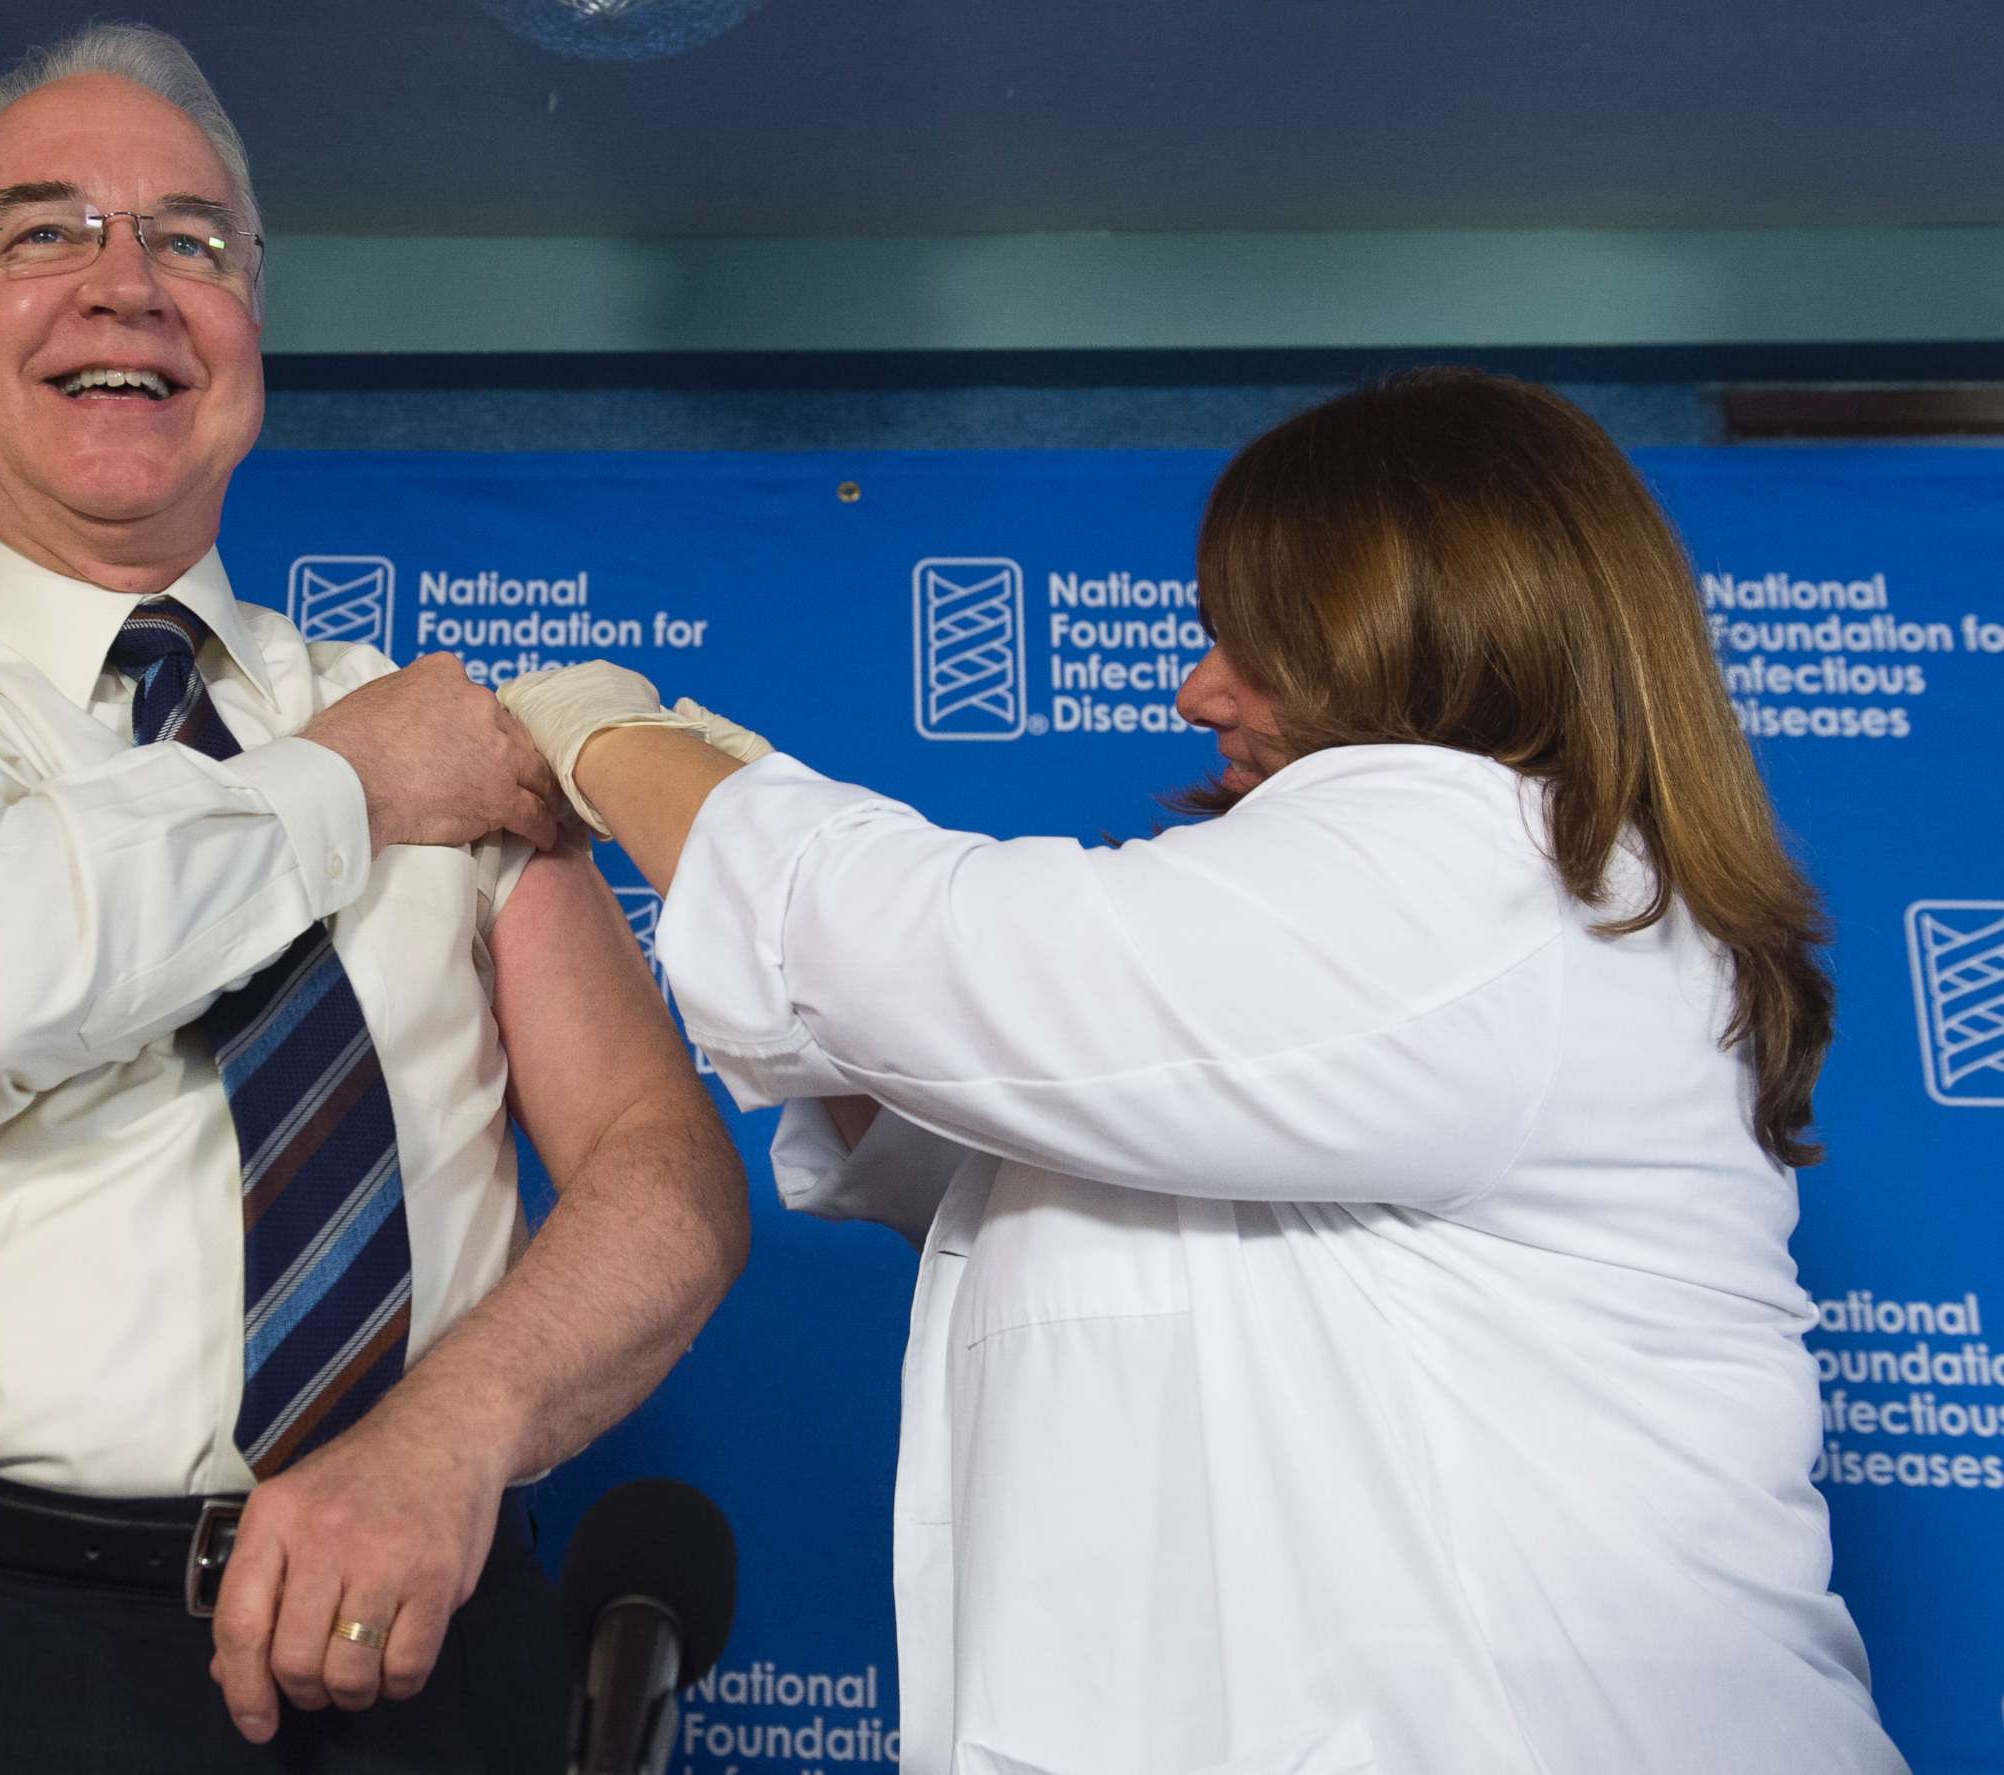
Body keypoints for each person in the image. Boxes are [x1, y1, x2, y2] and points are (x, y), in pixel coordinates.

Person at [496, 370, 1907, 1775]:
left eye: (1263, 640)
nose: (1197, 688)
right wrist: (775, 885)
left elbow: (944, 968)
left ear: (1436, 632)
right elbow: (1039, 1136)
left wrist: (605, 740)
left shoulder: (1490, 874)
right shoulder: (1434, 948)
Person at [0, 24, 748, 1774]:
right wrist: (354, 786)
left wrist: (452, 1429)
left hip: (416, 1644)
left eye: (193, 241)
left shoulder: (440, 719)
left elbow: (658, 1168)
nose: (129, 287)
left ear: (251, 337)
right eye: (42, 232)